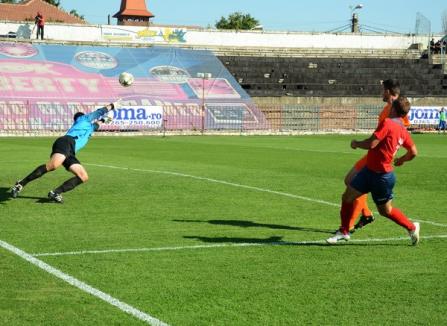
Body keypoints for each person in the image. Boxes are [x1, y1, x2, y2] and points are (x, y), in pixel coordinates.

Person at [327, 96, 420, 245]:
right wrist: (402, 160)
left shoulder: (388, 123)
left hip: (382, 177)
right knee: (347, 197)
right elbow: (414, 151)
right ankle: (343, 231)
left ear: (393, 109)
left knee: (386, 211)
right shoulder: (403, 130)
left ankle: (411, 227)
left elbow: (372, 144)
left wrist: (356, 143)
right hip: (369, 171)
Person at [337, 79, 408, 235]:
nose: (382, 92)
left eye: (383, 90)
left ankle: (348, 226)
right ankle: (366, 215)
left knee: (352, 185)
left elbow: (400, 132)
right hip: (373, 152)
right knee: (350, 182)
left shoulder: (396, 110)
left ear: (389, 91)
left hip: (380, 157)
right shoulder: (387, 109)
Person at [10, 103, 117, 203]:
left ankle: (55, 192)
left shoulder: (89, 128)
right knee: (53, 165)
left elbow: (96, 125)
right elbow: (98, 112)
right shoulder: (82, 119)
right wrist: (112, 105)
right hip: (66, 142)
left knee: (83, 176)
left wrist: (104, 120)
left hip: (71, 151)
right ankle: (20, 184)